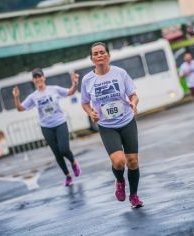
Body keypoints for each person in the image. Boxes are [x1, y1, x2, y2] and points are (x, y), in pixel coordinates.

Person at [80, 42, 143, 208]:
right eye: (96, 53)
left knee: (133, 161)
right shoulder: (87, 80)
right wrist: (90, 113)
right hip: (107, 126)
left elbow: (133, 95)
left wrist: (134, 104)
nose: (99, 55)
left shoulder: (120, 73)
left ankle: (134, 196)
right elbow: (85, 103)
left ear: (108, 55)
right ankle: (120, 181)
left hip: (127, 121)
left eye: (102, 52)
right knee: (119, 161)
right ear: (92, 59)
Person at [12, 68, 81, 187]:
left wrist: (75, 83)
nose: (38, 79)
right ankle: (67, 176)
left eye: (40, 76)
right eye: (35, 77)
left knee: (64, 149)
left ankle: (74, 163)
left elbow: (70, 92)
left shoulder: (54, 89)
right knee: (57, 153)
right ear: (33, 80)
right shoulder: (33, 96)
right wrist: (16, 97)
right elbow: (20, 108)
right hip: (46, 127)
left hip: (60, 123)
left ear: (44, 77)